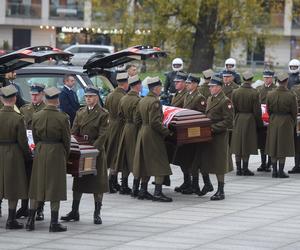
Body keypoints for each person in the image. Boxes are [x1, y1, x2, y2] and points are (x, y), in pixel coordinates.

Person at [61, 85, 109, 225]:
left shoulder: (103, 113)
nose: (88, 99)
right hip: (82, 152)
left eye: (91, 96)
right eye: (86, 96)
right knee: (79, 182)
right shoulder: (81, 112)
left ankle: (97, 213)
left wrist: (93, 151)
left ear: (96, 97)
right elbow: (74, 131)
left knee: (97, 184)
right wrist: (74, 147)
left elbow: (103, 135)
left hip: (96, 152)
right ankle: (74, 211)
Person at [27, 87, 70, 232]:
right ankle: (53, 223)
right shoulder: (62, 117)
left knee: (36, 186)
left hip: (40, 150)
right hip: (56, 151)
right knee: (55, 186)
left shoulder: (36, 115)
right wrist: (65, 154)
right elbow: (66, 140)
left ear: (45, 99)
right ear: (57, 100)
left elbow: (34, 135)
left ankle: (30, 221)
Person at [133, 77, 173, 202]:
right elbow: (155, 122)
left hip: (143, 133)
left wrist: (143, 129)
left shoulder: (142, 100)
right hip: (153, 135)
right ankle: (158, 193)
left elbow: (137, 119)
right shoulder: (155, 102)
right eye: (160, 87)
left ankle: (143, 190)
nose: (161, 89)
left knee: (145, 162)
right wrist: (167, 132)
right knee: (159, 163)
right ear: (156, 88)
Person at [0, 85, 31, 229]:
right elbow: (23, 142)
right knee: (14, 187)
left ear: (1, 99)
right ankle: (11, 219)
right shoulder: (18, 118)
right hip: (13, 153)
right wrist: (28, 156)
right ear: (14, 99)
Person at [199, 75, 233, 200]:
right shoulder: (210, 99)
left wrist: (213, 128)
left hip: (219, 136)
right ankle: (207, 184)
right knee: (205, 160)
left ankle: (221, 190)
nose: (210, 89)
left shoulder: (225, 101)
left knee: (219, 163)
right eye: (210, 87)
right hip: (208, 135)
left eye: (213, 87)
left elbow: (229, 121)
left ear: (219, 87)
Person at [173, 74, 208, 195]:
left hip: (194, 132)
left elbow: (202, 116)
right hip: (186, 132)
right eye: (186, 83)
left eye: (189, 83)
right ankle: (187, 182)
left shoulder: (200, 98)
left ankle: (195, 185)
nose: (187, 85)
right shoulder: (187, 95)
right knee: (185, 158)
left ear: (195, 84)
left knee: (193, 159)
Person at [17, 83, 46, 221]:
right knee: (25, 177)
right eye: (32, 94)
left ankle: (39, 208)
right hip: (26, 148)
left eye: (37, 94)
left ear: (42, 94)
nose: (34, 97)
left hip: (40, 148)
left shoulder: (46, 109)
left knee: (40, 180)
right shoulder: (25, 109)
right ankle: (24, 206)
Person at [231, 71, 263, 176]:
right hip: (250, 119)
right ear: (251, 79)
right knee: (247, 144)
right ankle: (245, 168)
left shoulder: (235, 92)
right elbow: (257, 111)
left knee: (238, 144)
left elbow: (233, 109)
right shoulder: (254, 92)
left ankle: (239, 169)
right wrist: (259, 125)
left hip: (238, 118)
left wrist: (235, 119)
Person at [266, 72, 297, 178]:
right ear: (286, 81)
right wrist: (293, 122)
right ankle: (280, 171)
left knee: (273, 145)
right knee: (282, 146)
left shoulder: (270, 94)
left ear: (278, 81)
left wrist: (273, 116)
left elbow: (268, 110)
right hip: (286, 121)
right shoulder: (291, 95)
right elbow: (294, 111)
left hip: (274, 120)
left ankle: (274, 171)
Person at [116, 75, 142, 196]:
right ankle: (136, 187)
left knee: (125, 157)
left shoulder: (124, 98)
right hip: (134, 129)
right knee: (136, 157)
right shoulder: (138, 100)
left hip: (125, 128)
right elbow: (138, 118)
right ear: (137, 85)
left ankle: (124, 185)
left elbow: (119, 115)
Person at [105, 72, 129, 193]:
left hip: (111, 126)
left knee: (113, 153)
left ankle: (112, 181)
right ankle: (111, 182)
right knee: (117, 154)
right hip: (120, 127)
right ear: (126, 83)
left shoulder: (110, 95)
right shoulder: (123, 97)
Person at [256, 70, 276, 172]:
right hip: (261, 118)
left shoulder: (275, 89)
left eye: (268, 78)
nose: (266, 79)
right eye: (265, 77)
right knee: (262, 141)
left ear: (272, 78)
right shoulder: (259, 89)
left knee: (271, 141)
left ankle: (269, 162)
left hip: (271, 118)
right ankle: (263, 163)